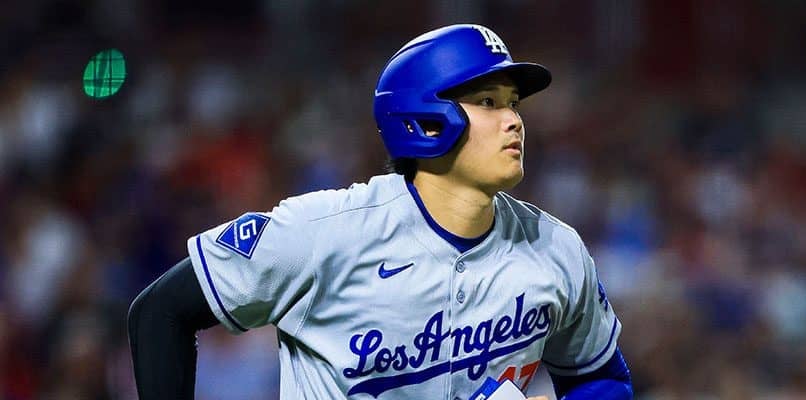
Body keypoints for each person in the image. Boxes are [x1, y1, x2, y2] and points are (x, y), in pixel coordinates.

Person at [128, 24, 633, 400]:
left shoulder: (556, 249)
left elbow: (600, 377)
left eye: (514, 103)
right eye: (487, 101)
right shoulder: (322, 233)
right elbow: (159, 312)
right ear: (425, 121)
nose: (514, 120)